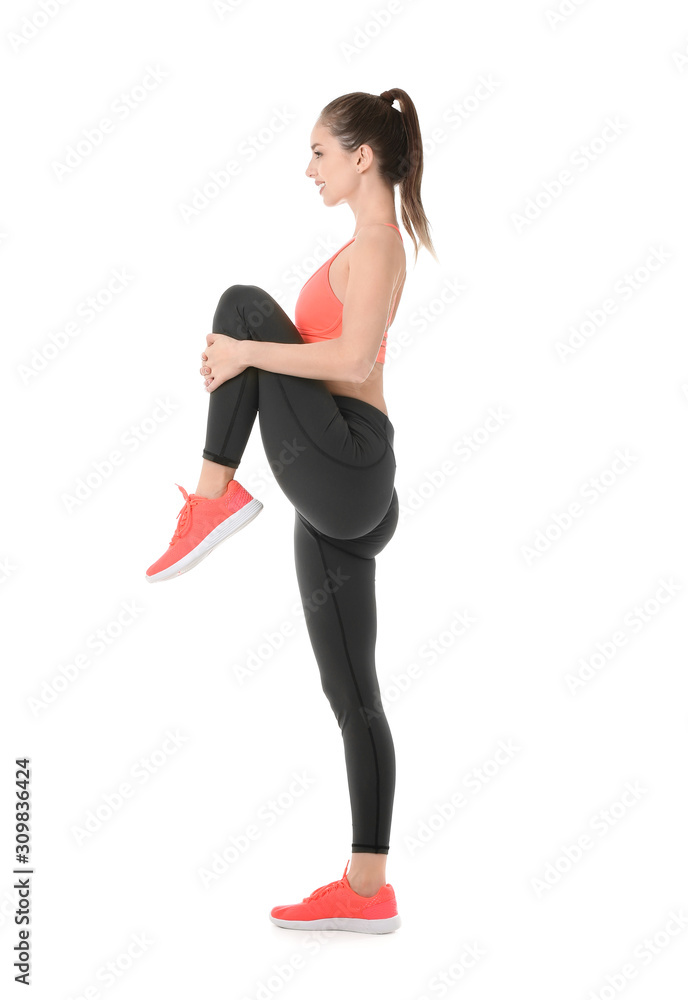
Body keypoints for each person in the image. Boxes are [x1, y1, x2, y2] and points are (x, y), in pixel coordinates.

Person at [145, 88, 436, 933]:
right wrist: (246, 363)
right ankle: (367, 888)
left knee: (240, 306)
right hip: (339, 498)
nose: (308, 168)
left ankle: (211, 497)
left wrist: (240, 353)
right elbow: (321, 359)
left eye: (318, 151)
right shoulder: (358, 244)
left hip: (349, 458)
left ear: (361, 158)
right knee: (352, 696)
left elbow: (346, 356)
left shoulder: (378, 243)